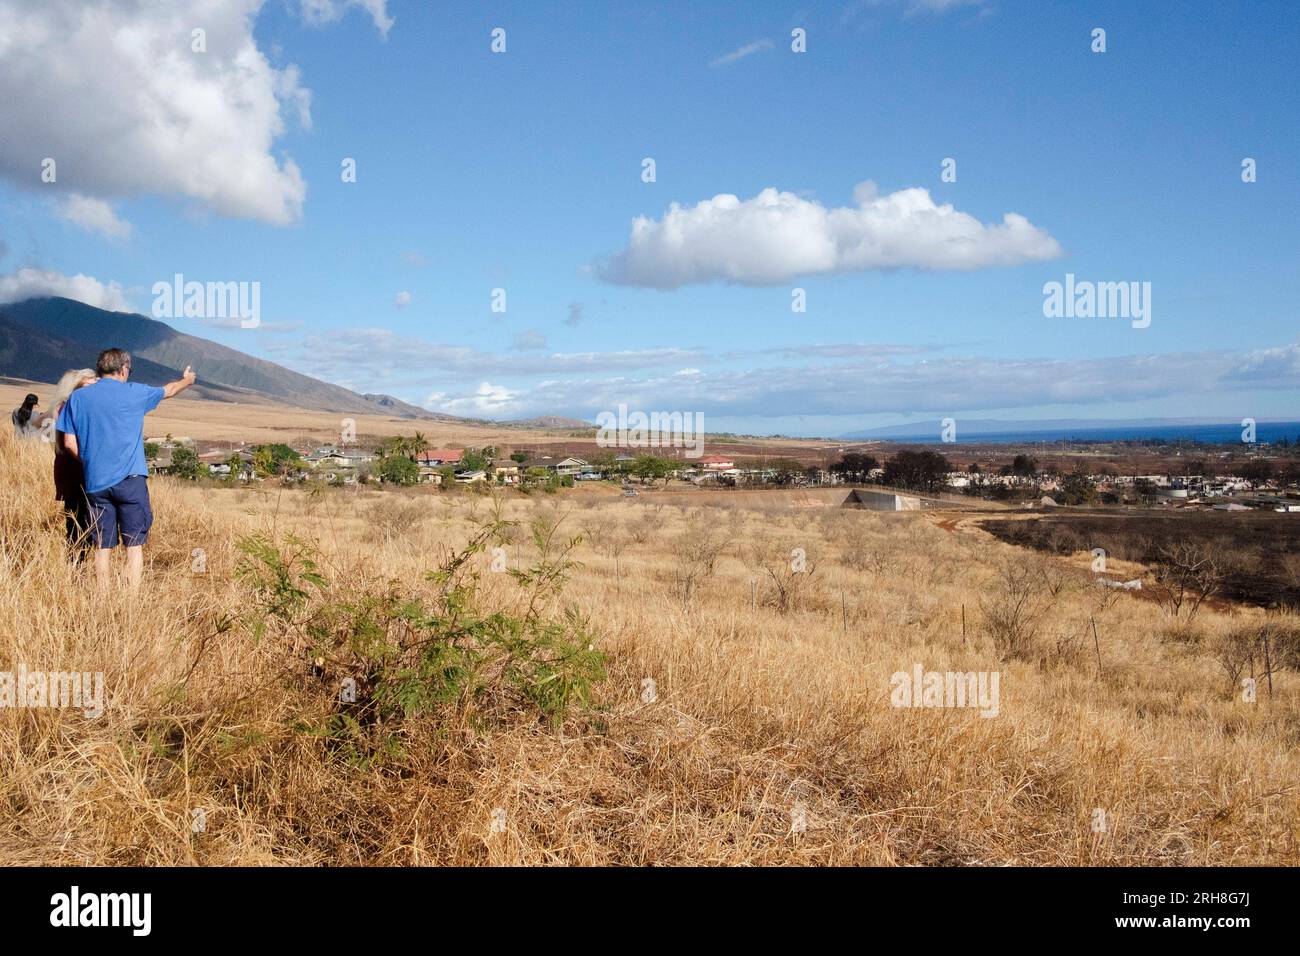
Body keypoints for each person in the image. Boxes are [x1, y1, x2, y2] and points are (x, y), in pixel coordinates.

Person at [55, 348, 196, 588]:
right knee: (134, 545)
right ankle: (131, 600)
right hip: (131, 481)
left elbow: (68, 442)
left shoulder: (77, 398)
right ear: (123, 370)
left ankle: (103, 598)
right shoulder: (134, 392)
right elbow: (170, 390)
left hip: (95, 482)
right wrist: (188, 380)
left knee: (101, 546)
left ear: (100, 369)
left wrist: (90, 460)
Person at [48, 368, 99, 554]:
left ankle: (78, 561)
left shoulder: (64, 406)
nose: (97, 381)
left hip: (71, 466)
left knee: (78, 517)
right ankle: (78, 563)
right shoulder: (69, 406)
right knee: (80, 517)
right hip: (76, 466)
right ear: (77, 385)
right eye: (91, 380)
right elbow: (70, 443)